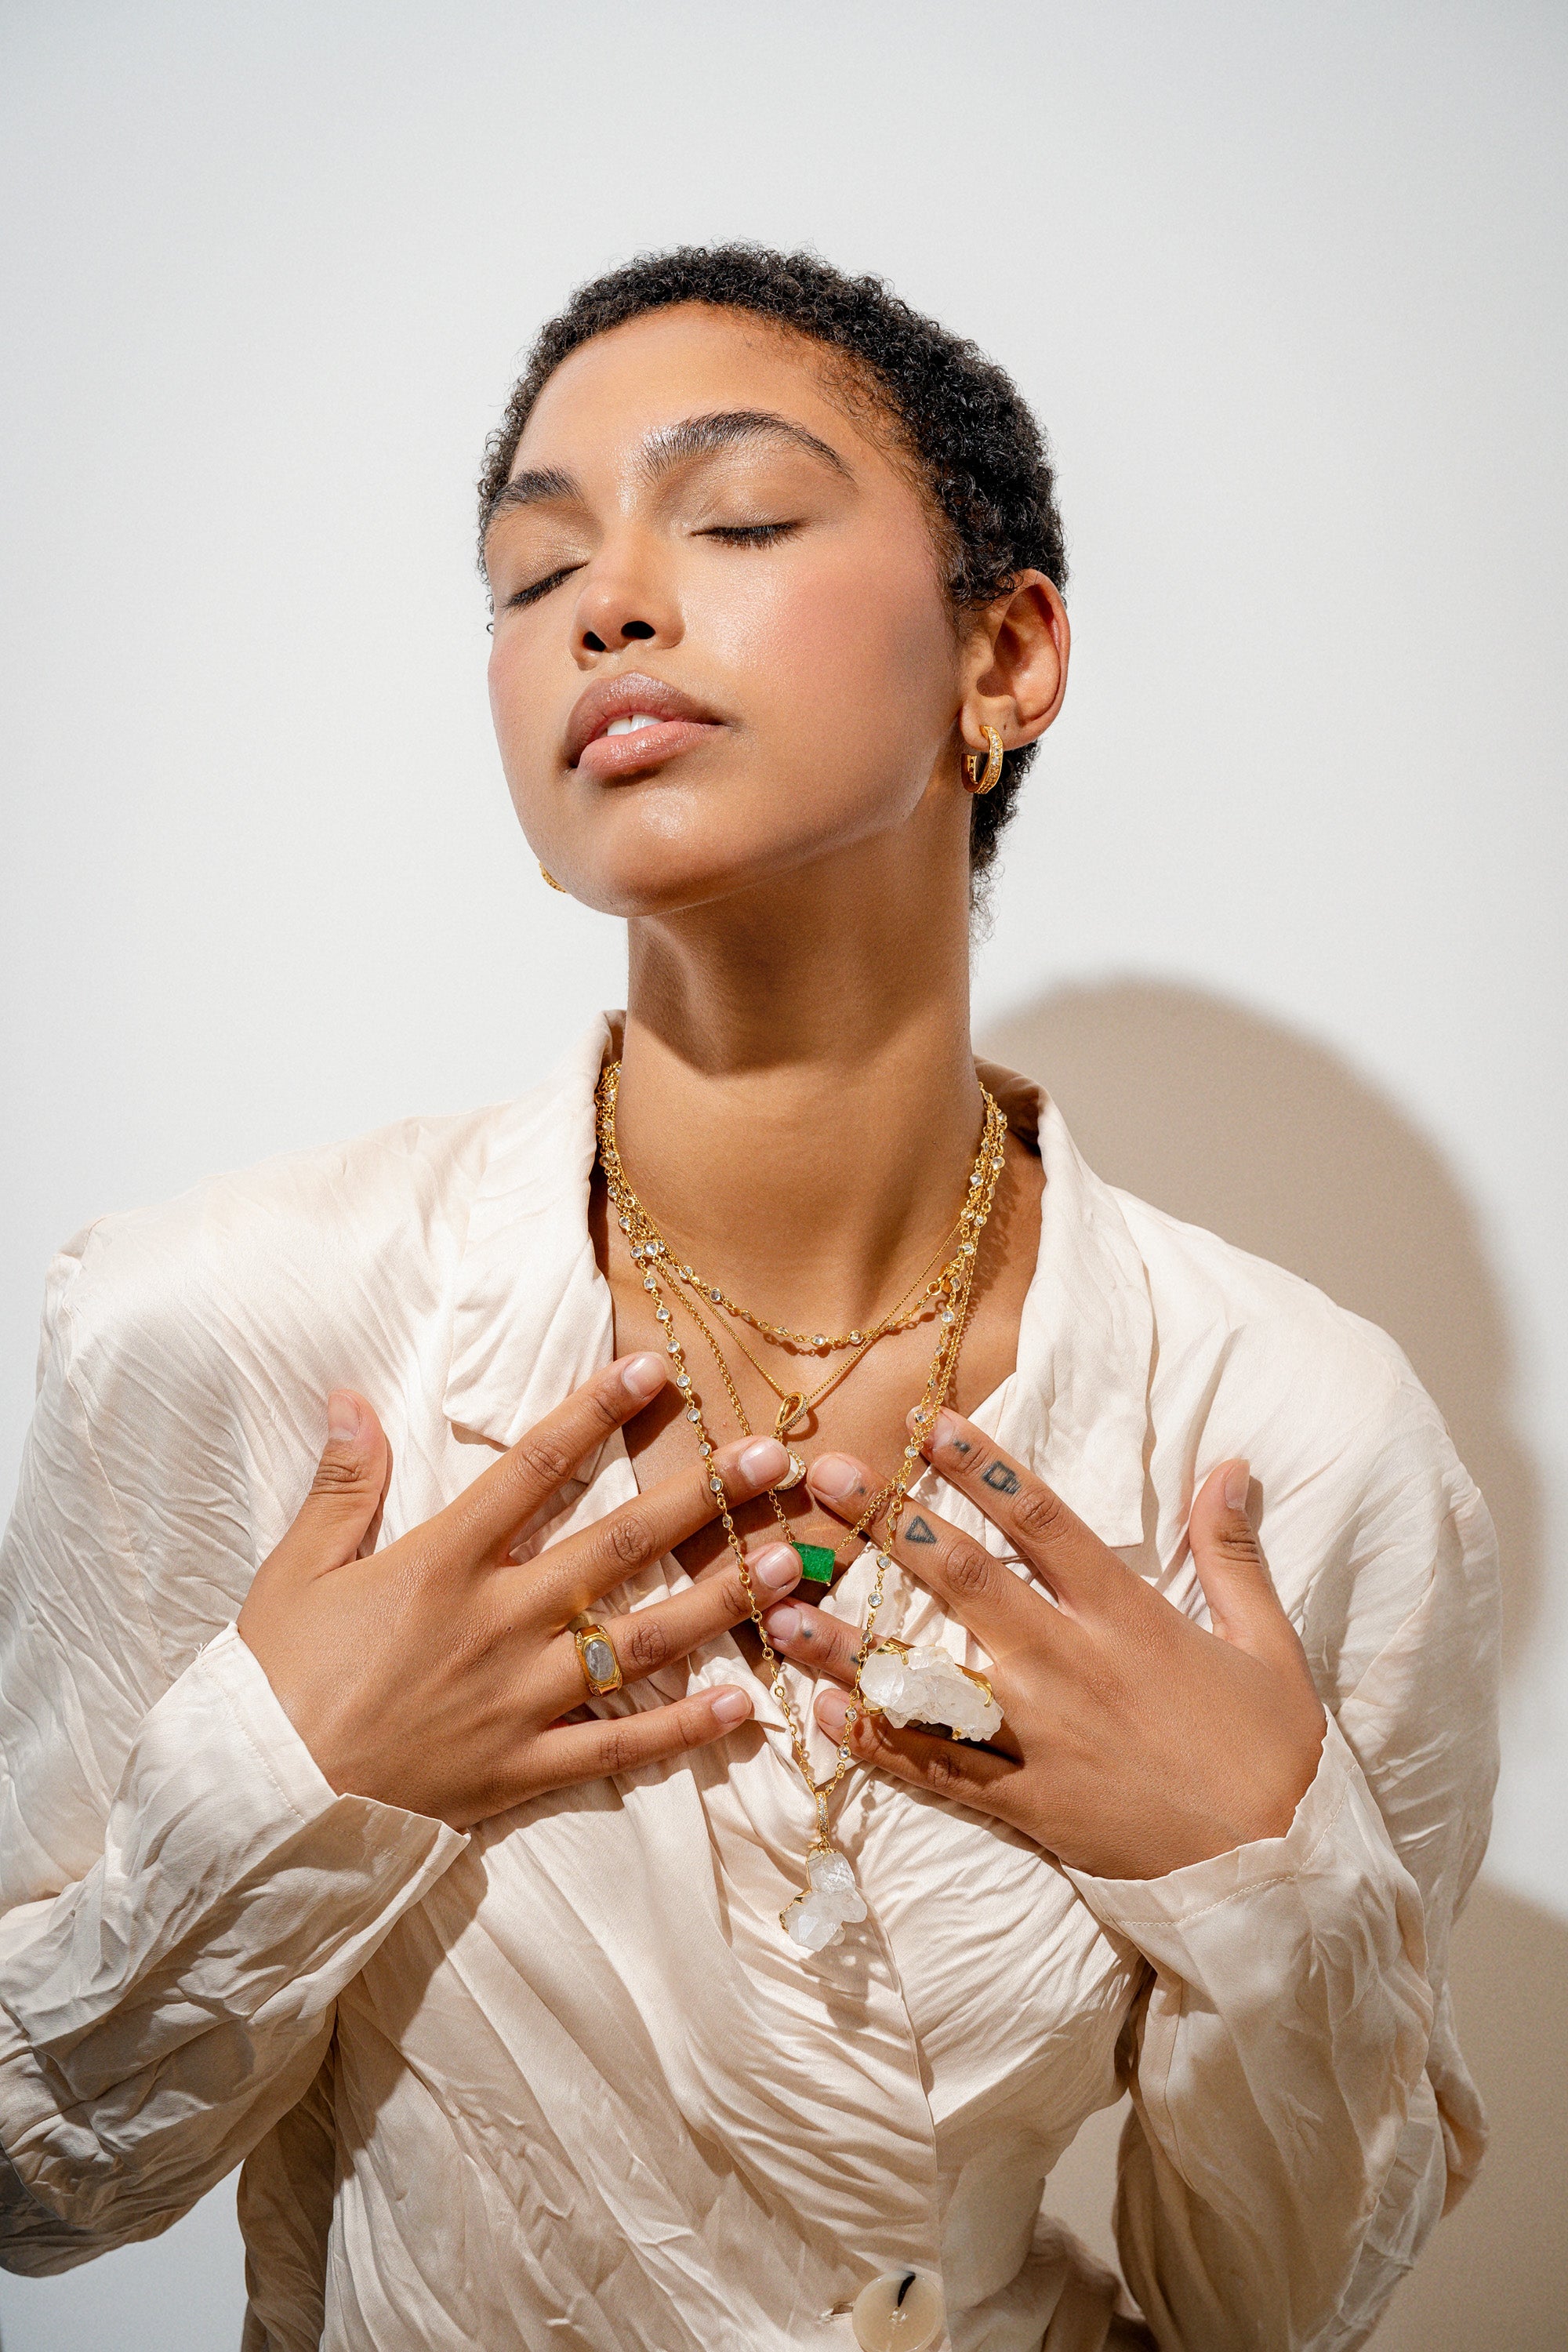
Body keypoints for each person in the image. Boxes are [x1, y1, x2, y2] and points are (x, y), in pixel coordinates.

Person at [0, 247, 1498, 2352]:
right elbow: (33, 2189)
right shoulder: (233, 1330)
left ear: (1007, 654)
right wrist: (291, 1780)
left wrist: (1263, 1883)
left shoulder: (1293, 1441)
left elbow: (1269, 2309)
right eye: (533, 575)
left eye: (738, 518)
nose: (605, 606)